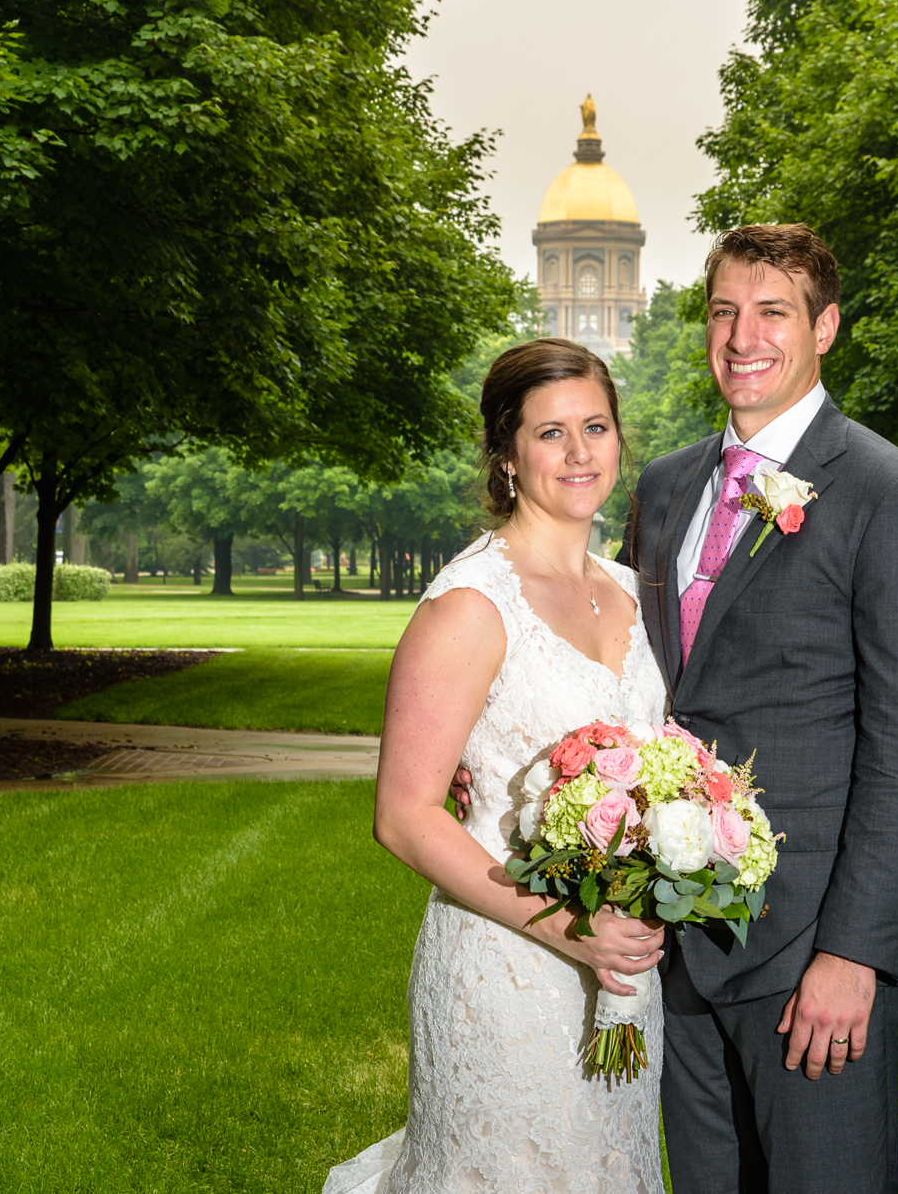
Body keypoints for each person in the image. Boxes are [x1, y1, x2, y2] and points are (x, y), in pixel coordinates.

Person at [620, 224, 898, 1192]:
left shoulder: (892, 496)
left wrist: (852, 956)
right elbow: (642, 680)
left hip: (812, 947)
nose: (742, 336)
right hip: (681, 939)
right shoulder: (663, 487)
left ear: (824, 327)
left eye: (771, 312)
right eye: (723, 312)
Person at [324, 339, 670, 1194]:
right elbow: (404, 814)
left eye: (596, 425)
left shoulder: (634, 590)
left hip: (624, 970)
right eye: (550, 433)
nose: (580, 452)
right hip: (507, 972)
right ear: (508, 454)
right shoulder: (470, 605)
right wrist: (567, 928)